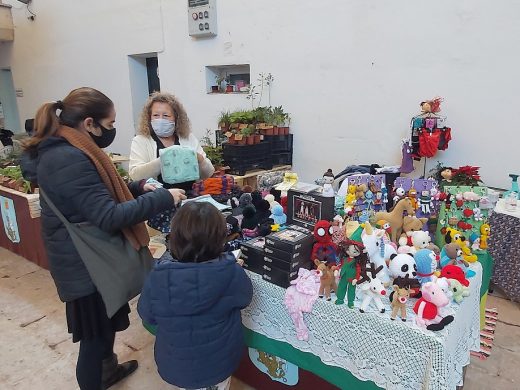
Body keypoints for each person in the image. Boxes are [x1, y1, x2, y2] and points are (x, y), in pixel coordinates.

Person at [20, 87, 187, 390]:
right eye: (109, 124)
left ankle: (107, 372)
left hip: (91, 259)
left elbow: (94, 194)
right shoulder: (66, 157)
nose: (111, 130)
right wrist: (163, 197)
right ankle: (94, 379)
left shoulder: (74, 147)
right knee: (94, 339)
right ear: (89, 124)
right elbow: (108, 216)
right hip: (85, 265)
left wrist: (135, 188)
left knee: (105, 326)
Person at [137, 202, 253, 390]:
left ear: (174, 237)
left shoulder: (158, 275)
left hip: (175, 363)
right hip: (218, 362)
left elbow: (147, 314)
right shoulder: (230, 271)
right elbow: (245, 298)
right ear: (219, 238)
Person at [129, 92, 215, 193]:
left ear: (176, 118)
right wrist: (165, 158)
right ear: (149, 118)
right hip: (159, 200)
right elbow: (135, 175)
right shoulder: (140, 141)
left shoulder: (188, 138)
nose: (160, 120)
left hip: (189, 198)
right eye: (156, 115)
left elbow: (208, 173)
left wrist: (199, 159)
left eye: (166, 115)